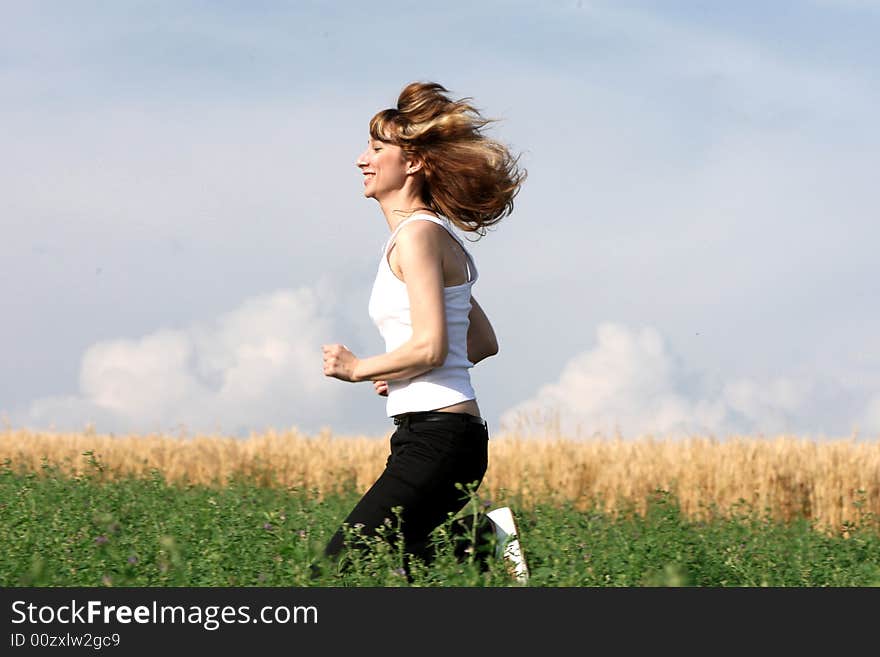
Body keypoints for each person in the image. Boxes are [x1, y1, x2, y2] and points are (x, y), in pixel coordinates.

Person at [320, 81, 528, 583]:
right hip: (436, 434)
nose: (361, 160)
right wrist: (404, 373)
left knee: (338, 569)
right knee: (401, 567)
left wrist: (360, 368)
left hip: (440, 437)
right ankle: (489, 542)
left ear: (411, 163)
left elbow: (433, 346)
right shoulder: (428, 236)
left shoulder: (418, 237)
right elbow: (479, 341)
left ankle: (492, 543)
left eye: (376, 148)